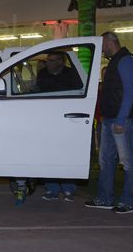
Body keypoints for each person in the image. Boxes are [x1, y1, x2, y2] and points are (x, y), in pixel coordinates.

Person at [85, 32, 133, 214]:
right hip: (111, 118)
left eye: (102, 45)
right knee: (106, 160)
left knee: (127, 161)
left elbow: (129, 92)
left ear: (109, 42)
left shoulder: (125, 60)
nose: (101, 49)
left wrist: (121, 119)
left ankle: (127, 202)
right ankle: (105, 198)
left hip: (121, 119)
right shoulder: (117, 61)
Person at [37, 52, 81, 201]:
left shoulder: (71, 74)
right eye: (48, 60)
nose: (48, 63)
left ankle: (69, 188)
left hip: (66, 119)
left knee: (67, 154)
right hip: (48, 118)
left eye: (52, 60)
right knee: (49, 154)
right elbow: (41, 89)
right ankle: (52, 189)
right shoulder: (43, 73)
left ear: (61, 62)